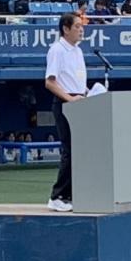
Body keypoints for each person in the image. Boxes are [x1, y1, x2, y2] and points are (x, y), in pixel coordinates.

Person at [45, 13, 86, 212]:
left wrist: (86, 92)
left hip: (79, 100)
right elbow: (50, 82)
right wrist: (69, 99)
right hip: (65, 102)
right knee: (69, 150)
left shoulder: (77, 51)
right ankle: (58, 195)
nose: (81, 29)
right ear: (65, 29)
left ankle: (71, 194)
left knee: (80, 152)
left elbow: (75, 78)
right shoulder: (57, 50)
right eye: (77, 26)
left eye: (82, 26)